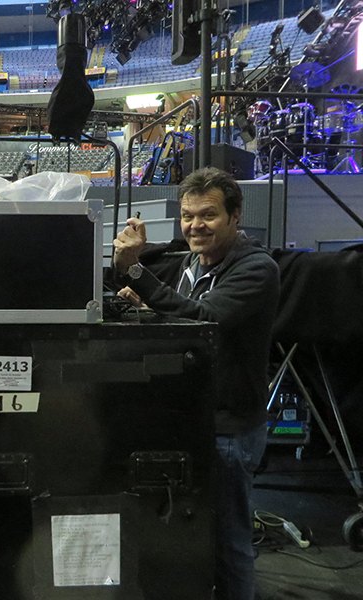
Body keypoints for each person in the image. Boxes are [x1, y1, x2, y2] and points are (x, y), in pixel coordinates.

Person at [112, 167, 280, 600]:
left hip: (229, 430)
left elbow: (204, 319)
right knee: (189, 539)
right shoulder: (191, 263)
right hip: (192, 422)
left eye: (208, 215)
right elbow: (178, 314)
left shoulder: (257, 268)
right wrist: (140, 295)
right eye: (188, 216)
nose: (194, 226)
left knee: (229, 545)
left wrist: (138, 275)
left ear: (235, 216)